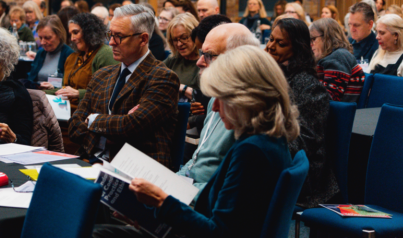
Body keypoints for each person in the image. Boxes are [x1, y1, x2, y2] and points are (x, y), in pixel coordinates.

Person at [92, 45, 300, 238]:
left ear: (246, 99)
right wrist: (151, 212)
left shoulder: (252, 151)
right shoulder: (269, 140)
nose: (216, 108)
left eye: (220, 98)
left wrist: (161, 202)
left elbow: (218, 233)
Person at [68, 4, 179, 167]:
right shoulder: (102, 75)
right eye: (110, 34)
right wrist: (111, 133)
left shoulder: (163, 78)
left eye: (119, 36)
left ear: (143, 39)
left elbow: (132, 126)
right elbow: (74, 126)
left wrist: (93, 119)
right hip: (91, 161)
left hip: (136, 171)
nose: (111, 42)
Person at [178, 23, 259, 195]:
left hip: (203, 201)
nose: (199, 62)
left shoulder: (246, 112)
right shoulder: (217, 97)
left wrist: (168, 196)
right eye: (201, 53)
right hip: (192, 188)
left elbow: (227, 192)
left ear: (238, 58)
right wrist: (174, 182)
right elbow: (196, 161)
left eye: (208, 55)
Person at [265, 18, 337, 208]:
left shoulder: (309, 88)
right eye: (271, 39)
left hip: (304, 172)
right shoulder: (273, 77)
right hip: (275, 154)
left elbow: (302, 143)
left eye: (280, 43)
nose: (271, 47)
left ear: (297, 48)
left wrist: (262, 145)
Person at [45, 13, 118, 112]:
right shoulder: (72, 58)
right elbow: (64, 90)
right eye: (70, 34)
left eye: (76, 32)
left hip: (89, 114)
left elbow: (111, 92)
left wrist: (79, 93)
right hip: (64, 110)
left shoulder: (105, 54)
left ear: (89, 31)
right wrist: (38, 93)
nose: (72, 38)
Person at [310, 18, 365, 102]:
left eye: (313, 39)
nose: (311, 44)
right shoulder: (334, 56)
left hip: (339, 113)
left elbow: (330, 98)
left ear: (327, 37)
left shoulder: (338, 57)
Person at [24, 15, 74, 88]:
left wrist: (54, 87)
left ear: (59, 35)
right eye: (40, 38)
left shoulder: (69, 54)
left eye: (47, 38)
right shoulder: (41, 53)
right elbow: (30, 79)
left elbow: (71, 85)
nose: (42, 42)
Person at [164, 13, 202, 104]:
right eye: (175, 40)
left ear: (195, 35)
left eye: (184, 38)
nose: (179, 44)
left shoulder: (205, 61)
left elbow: (207, 99)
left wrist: (180, 87)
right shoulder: (172, 60)